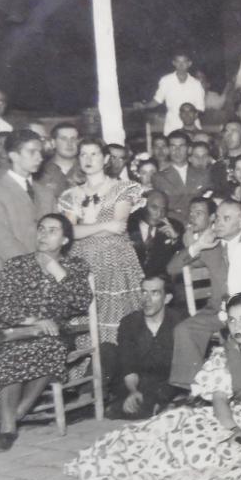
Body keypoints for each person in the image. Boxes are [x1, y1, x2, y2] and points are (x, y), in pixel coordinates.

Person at [67, 293, 241, 480]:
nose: (237, 327)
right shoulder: (224, 354)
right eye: (232, 320)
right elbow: (220, 399)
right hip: (231, 415)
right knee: (173, 438)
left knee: (228, 455)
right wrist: (233, 428)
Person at [0, 213, 93, 452]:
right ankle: (8, 428)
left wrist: (55, 269)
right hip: (20, 331)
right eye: (41, 229)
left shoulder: (75, 266)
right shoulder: (17, 265)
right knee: (12, 353)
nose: (44, 235)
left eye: (52, 231)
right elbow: (1, 305)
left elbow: (81, 301)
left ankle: (15, 416)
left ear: (65, 240)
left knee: (50, 347)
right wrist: (33, 320)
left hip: (55, 335)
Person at [57, 138, 146, 351]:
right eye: (83, 154)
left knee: (118, 319)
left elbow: (120, 225)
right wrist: (102, 226)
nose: (88, 159)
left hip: (115, 261)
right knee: (87, 320)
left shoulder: (122, 188)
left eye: (94, 154)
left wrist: (85, 228)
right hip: (83, 262)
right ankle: (93, 374)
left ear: (106, 158)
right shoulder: (71, 195)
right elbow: (70, 232)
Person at [166, 198, 241, 388]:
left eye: (226, 218)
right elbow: (172, 269)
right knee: (184, 330)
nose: (218, 223)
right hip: (217, 311)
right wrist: (198, 246)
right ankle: (196, 389)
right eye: (217, 218)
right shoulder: (212, 246)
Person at [108, 273, 182, 420]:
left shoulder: (179, 322)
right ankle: (142, 404)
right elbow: (128, 364)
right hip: (138, 380)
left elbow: (182, 368)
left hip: (168, 383)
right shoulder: (129, 323)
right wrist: (133, 391)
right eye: (144, 292)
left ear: (167, 298)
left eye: (154, 293)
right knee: (107, 350)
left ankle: (157, 405)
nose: (146, 299)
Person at [0, 128, 57, 268]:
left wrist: (52, 265)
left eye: (40, 152)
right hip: (16, 273)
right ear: (14, 156)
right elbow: (1, 239)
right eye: (32, 152)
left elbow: (57, 233)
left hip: (49, 270)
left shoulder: (46, 193)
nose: (39, 158)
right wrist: (32, 268)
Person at [151, 130, 212, 225]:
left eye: (181, 146)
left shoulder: (203, 175)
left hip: (199, 226)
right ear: (167, 150)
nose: (177, 151)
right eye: (173, 146)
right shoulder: (159, 177)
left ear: (189, 149)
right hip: (173, 225)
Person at [126, 188, 183, 278]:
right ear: (143, 206)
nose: (159, 213)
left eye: (163, 209)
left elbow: (184, 256)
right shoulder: (127, 226)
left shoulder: (175, 226)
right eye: (154, 207)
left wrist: (175, 239)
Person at [152, 52, 205, 135]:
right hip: (172, 126)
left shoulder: (196, 84)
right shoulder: (166, 80)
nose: (181, 65)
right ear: (174, 63)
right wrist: (143, 106)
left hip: (192, 128)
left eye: (184, 62)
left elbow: (200, 108)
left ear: (189, 64)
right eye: (178, 62)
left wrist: (188, 121)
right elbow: (157, 101)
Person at [35, 122, 84, 201]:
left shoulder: (88, 170)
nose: (69, 143)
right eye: (64, 139)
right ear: (53, 143)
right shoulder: (39, 172)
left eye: (73, 139)